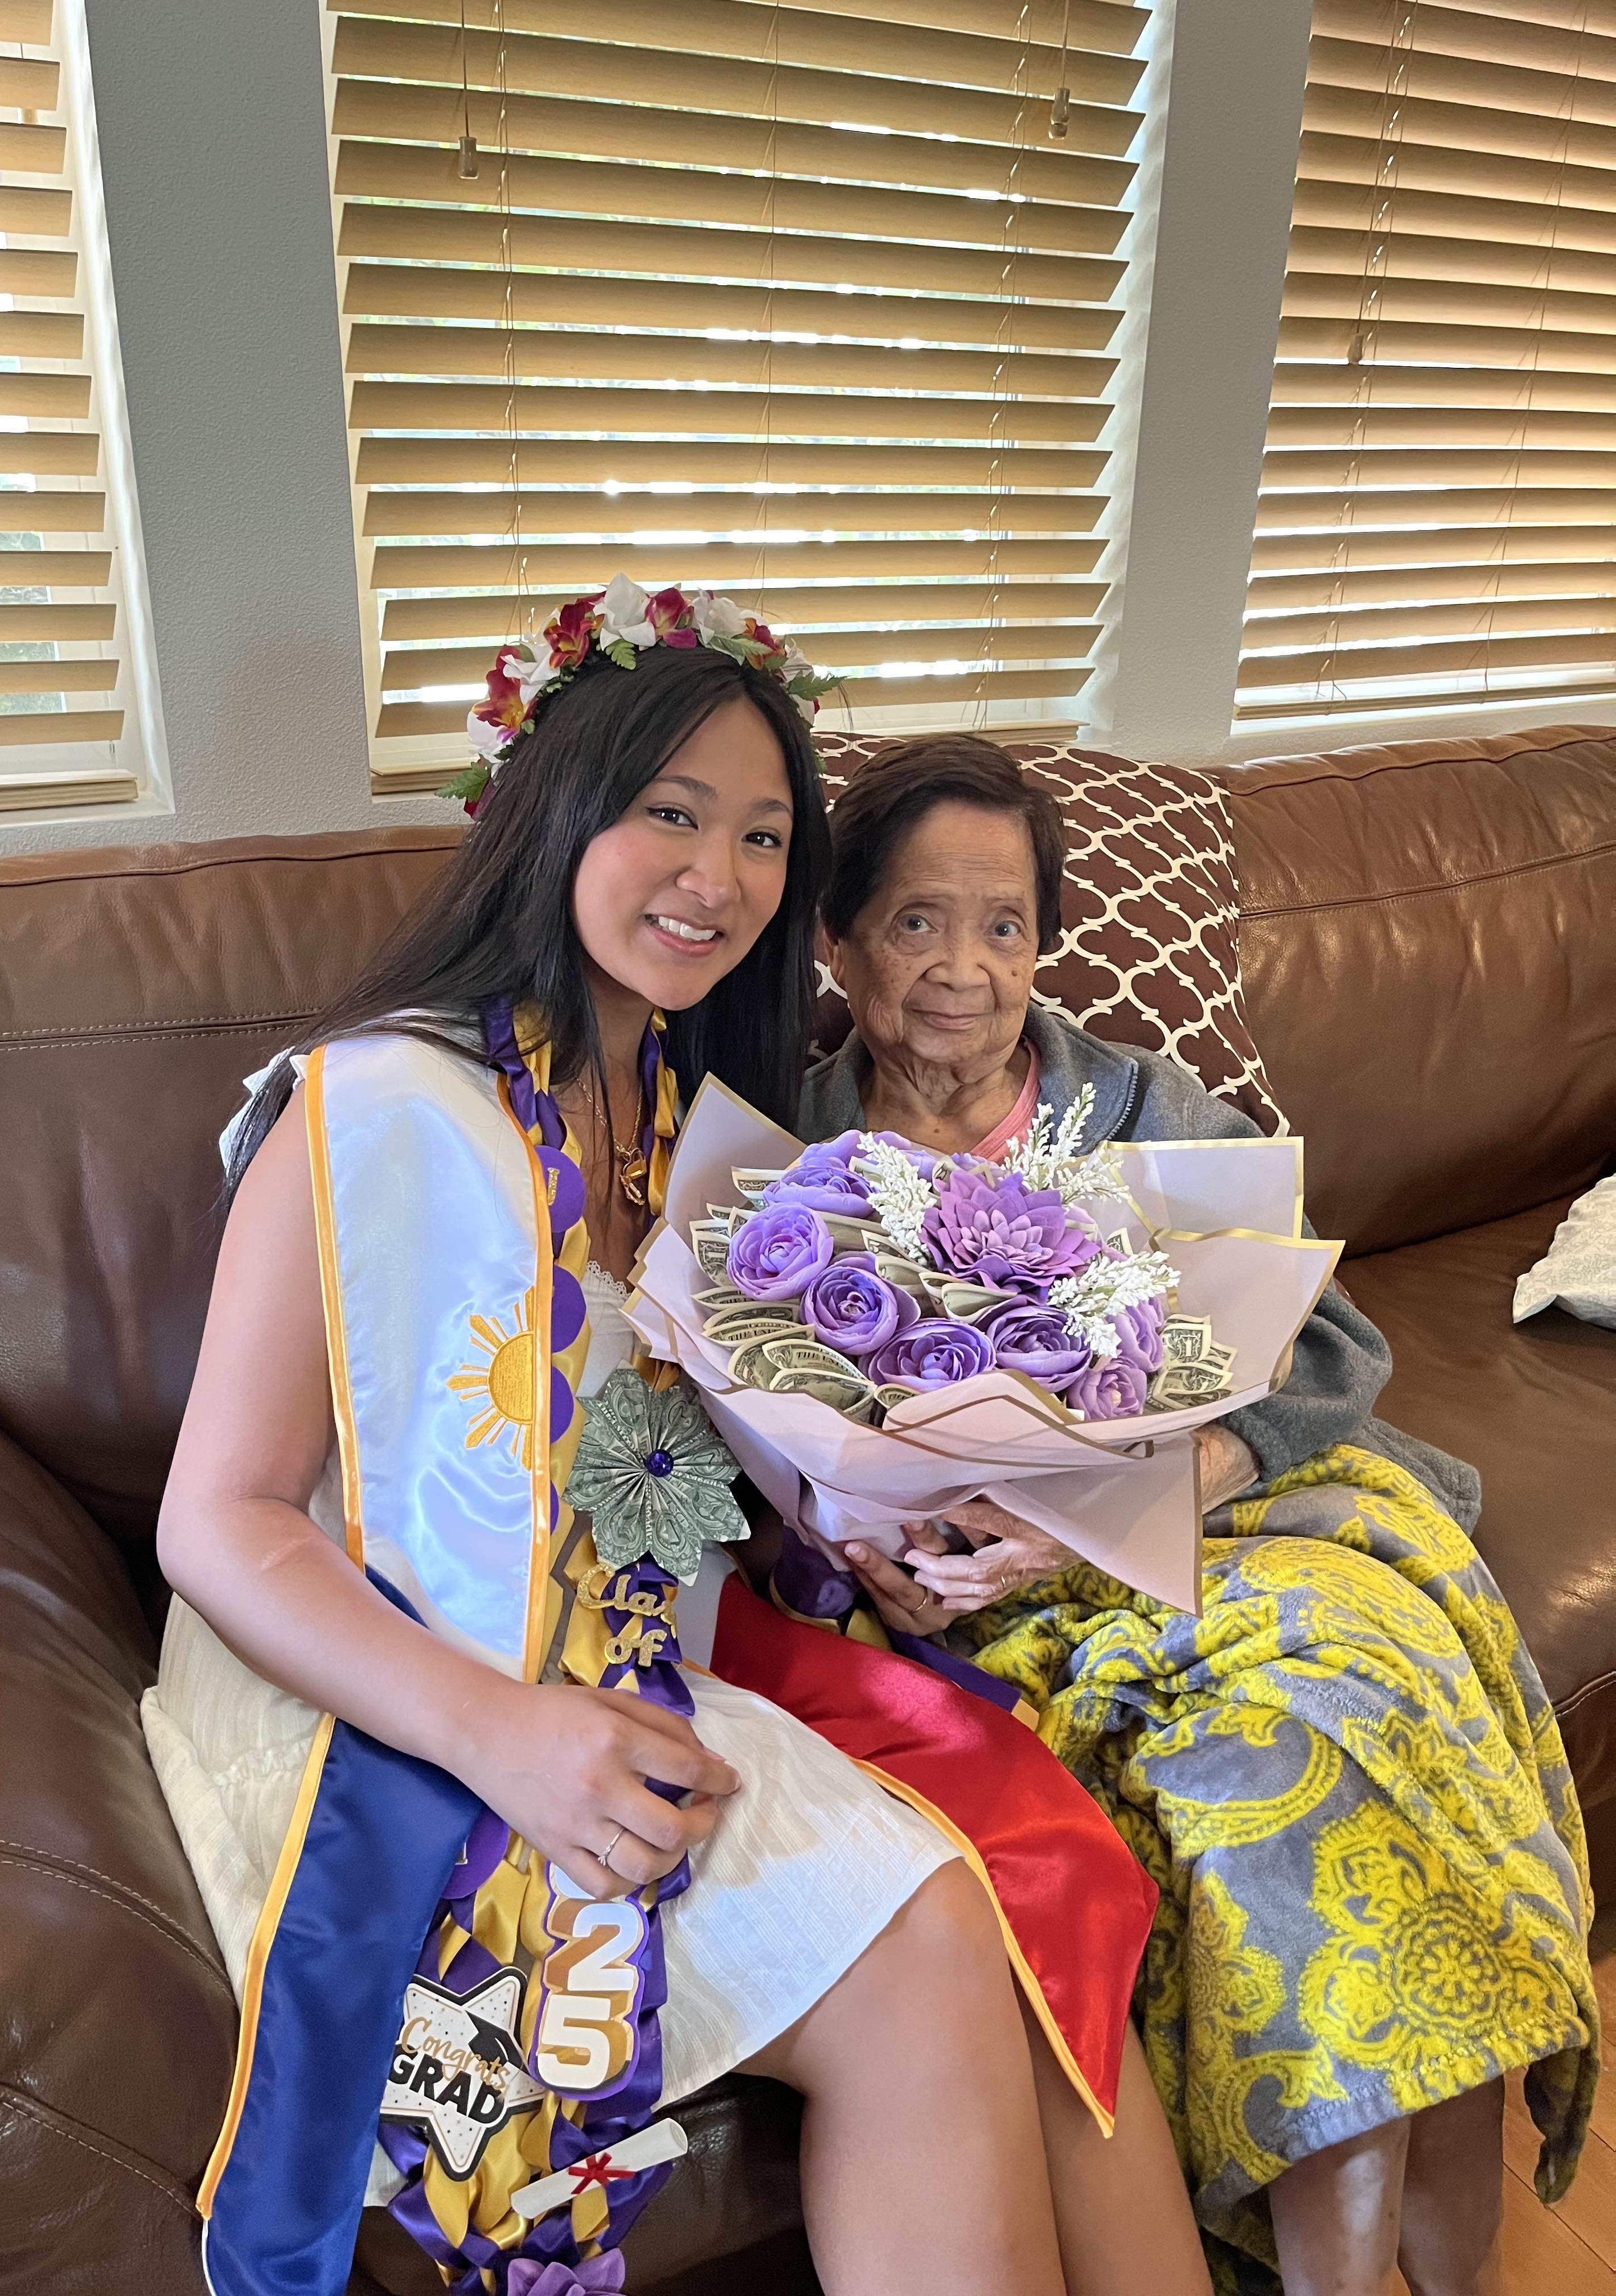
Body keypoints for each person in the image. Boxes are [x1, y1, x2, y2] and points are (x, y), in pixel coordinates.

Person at [142, 591, 1212, 2296]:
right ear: (561, 808)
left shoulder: (694, 1128)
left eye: (767, 835)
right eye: (672, 813)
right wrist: (502, 1735)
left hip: (639, 1647)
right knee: (943, 1927)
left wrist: (866, 1532)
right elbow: (217, 1521)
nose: (719, 874)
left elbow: (686, 1462)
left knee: (1024, 1880)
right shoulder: (379, 1104)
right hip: (387, 1676)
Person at [795, 732, 1598, 2296]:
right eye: (914, 923)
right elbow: (770, 1459)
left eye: (1005, 924)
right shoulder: (790, 1165)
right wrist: (869, 1558)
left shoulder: (1142, 1110)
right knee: (1267, 1767)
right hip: (1000, 1609)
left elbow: (1331, 1347)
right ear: (837, 941)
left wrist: (1166, 1482)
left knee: (1364, 1704)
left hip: (1243, 1529)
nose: (965, 969)